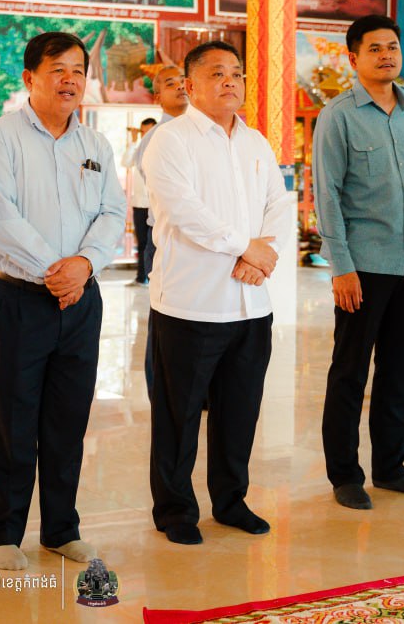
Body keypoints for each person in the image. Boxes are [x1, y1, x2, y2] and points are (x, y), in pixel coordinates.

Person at [0, 31, 127, 570]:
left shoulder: (95, 145)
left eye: (78, 70)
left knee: (68, 419)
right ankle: (1, 533)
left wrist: (83, 265)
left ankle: (61, 528)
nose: (70, 80)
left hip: (81, 300)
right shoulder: (1, 137)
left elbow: (113, 212)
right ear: (30, 78)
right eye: (58, 69)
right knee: (11, 419)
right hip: (20, 298)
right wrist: (56, 272)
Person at [143, 41, 290, 545]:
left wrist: (263, 253)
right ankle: (175, 510)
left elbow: (277, 204)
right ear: (189, 85)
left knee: (239, 410)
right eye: (216, 73)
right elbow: (185, 212)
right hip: (192, 303)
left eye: (236, 73)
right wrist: (246, 248)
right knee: (179, 414)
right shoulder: (170, 140)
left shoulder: (256, 142)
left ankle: (231, 501)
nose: (230, 81)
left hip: (252, 303)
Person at [313, 14, 404, 510]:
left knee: (398, 370)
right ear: (353, 58)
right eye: (374, 49)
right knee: (350, 372)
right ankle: (345, 475)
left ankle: (392, 468)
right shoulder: (338, 116)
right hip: (363, 266)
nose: (386, 55)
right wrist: (341, 266)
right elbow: (327, 194)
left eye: (392, 46)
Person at [137, 65, 190, 392]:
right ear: (158, 96)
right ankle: (160, 389)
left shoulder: (200, 131)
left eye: (183, 81)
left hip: (199, 241)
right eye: (171, 84)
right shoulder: (157, 137)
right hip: (166, 238)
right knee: (164, 315)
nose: (180, 87)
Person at [124, 117, 158, 286]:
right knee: (142, 242)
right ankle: (141, 277)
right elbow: (125, 162)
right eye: (143, 132)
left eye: (148, 132)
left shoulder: (160, 149)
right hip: (139, 204)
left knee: (155, 243)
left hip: (155, 206)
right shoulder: (138, 150)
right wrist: (133, 141)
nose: (146, 135)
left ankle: (154, 278)